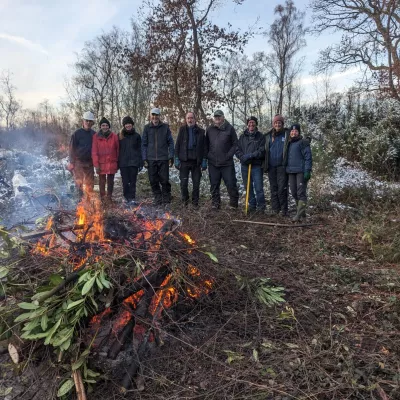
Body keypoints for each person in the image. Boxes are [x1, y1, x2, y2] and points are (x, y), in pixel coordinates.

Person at [205, 109, 239, 210]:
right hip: (213, 163)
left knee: (231, 183)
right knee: (214, 185)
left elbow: (235, 144)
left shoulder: (230, 129)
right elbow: (206, 144)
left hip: (227, 163)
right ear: (214, 118)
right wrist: (208, 155)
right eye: (216, 117)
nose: (217, 118)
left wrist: (229, 155)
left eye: (219, 116)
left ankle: (233, 204)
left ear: (223, 117)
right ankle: (216, 203)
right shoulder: (210, 129)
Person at [141, 108, 174, 206]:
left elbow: (171, 142)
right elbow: (144, 144)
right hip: (151, 159)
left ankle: (166, 198)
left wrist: (171, 155)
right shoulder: (147, 128)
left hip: (163, 158)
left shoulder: (165, 127)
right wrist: (144, 158)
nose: (155, 117)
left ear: (159, 116)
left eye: (157, 115)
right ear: (151, 116)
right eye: (153, 115)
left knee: (164, 179)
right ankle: (158, 198)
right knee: (153, 180)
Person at [174, 112, 207, 207]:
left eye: (192, 118)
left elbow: (205, 147)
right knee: (183, 183)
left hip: (196, 162)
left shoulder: (201, 132)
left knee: (196, 184)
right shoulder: (182, 130)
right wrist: (176, 158)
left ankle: (195, 203)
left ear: (195, 119)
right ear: (186, 119)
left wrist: (204, 160)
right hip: (184, 161)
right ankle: (185, 202)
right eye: (188, 118)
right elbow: (177, 145)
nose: (190, 120)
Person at [236, 116, 266, 212]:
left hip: (256, 165)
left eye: (253, 122)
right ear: (247, 124)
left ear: (256, 124)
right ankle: (252, 205)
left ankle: (261, 207)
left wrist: (251, 156)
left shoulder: (260, 136)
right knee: (248, 186)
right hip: (245, 165)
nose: (251, 124)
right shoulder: (242, 136)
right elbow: (237, 149)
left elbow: (262, 150)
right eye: (249, 122)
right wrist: (242, 157)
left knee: (258, 187)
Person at [264, 114, 290, 216]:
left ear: (282, 124)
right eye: (275, 123)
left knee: (282, 188)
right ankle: (275, 209)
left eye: (279, 122)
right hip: (271, 166)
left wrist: (306, 141)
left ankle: (284, 210)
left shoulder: (287, 134)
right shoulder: (268, 136)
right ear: (273, 124)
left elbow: (297, 138)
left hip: (282, 166)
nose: (277, 124)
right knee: (273, 188)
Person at [286, 124, 312, 222]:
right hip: (291, 171)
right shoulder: (289, 143)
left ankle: (298, 214)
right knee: (293, 192)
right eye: (292, 131)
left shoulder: (303, 143)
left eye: (296, 131)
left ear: (299, 132)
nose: (293, 132)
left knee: (301, 192)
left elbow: (308, 157)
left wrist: (307, 170)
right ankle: (302, 213)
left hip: (301, 171)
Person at [68, 111, 96, 198]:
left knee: (90, 183)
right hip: (78, 162)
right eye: (86, 120)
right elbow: (71, 148)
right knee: (79, 183)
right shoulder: (76, 134)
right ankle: (80, 202)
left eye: (90, 121)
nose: (88, 122)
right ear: (83, 121)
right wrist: (72, 162)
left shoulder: (94, 134)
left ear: (92, 123)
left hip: (90, 162)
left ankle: (89, 201)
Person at [92, 117, 119, 202]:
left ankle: (109, 197)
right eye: (103, 125)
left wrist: (117, 162)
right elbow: (94, 151)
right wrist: (96, 165)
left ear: (109, 126)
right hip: (101, 164)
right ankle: (103, 198)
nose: (105, 127)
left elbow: (118, 149)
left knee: (111, 181)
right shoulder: (96, 137)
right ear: (100, 126)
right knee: (102, 182)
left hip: (112, 163)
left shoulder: (114, 136)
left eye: (107, 125)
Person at [118, 116, 143, 204]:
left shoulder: (137, 136)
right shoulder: (120, 136)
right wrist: (118, 162)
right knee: (125, 181)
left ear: (132, 125)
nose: (128, 125)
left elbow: (140, 149)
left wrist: (141, 162)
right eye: (126, 124)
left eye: (129, 124)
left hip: (134, 163)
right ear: (124, 125)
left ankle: (132, 198)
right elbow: (117, 149)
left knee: (132, 181)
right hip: (123, 163)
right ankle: (126, 197)